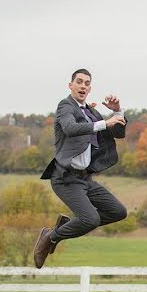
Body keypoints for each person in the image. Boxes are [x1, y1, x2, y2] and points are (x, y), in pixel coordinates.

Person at [34, 68, 127, 269]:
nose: (83, 86)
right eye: (79, 82)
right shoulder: (65, 106)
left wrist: (117, 111)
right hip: (65, 178)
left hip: (85, 179)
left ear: (90, 88)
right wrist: (104, 122)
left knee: (118, 212)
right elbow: (69, 128)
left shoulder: (91, 112)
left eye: (87, 83)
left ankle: (61, 230)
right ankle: (50, 237)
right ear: (71, 85)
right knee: (90, 219)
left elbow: (118, 132)